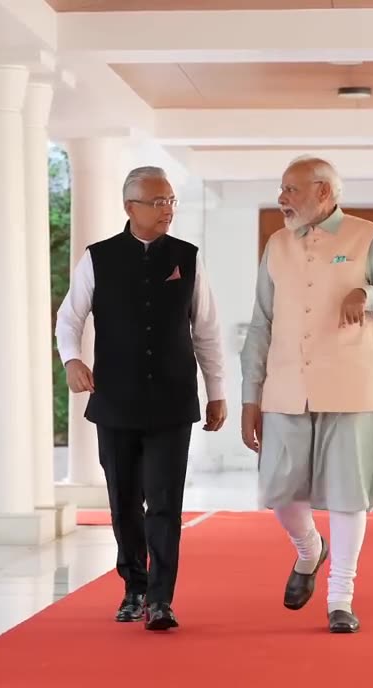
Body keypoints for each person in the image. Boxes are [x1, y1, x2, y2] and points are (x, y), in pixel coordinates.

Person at [240, 156, 373, 634]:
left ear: (323, 192)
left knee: (346, 495)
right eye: (281, 189)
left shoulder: (368, 236)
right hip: (284, 387)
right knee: (279, 492)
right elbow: (261, 323)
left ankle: (341, 597)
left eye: (290, 190)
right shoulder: (276, 244)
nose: (282, 199)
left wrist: (371, 296)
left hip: (352, 388)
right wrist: (249, 396)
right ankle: (308, 551)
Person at [55, 166, 227, 632]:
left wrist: (216, 393)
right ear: (130, 207)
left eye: (171, 200)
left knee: (166, 501)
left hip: (173, 398)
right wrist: (71, 359)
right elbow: (69, 318)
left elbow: (207, 330)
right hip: (117, 399)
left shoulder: (187, 258)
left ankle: (160, 599)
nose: (167, 209)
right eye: (157, 202)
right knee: (124, 499)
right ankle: (133, 586)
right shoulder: (98, 258)